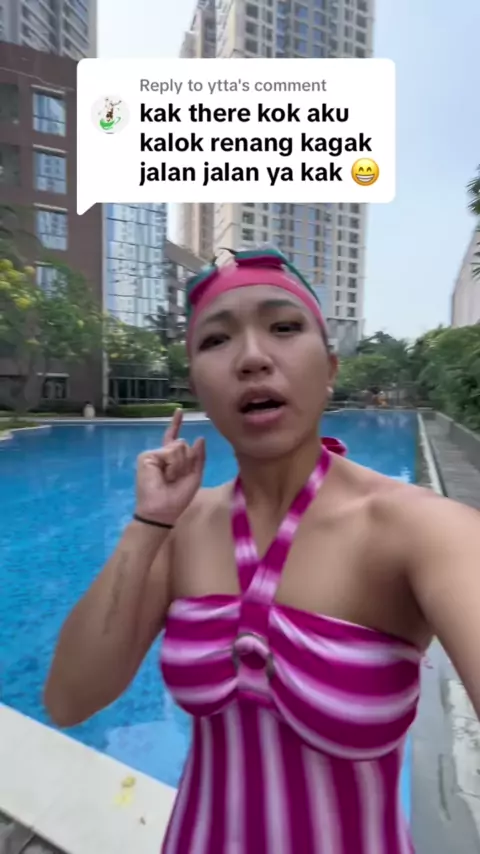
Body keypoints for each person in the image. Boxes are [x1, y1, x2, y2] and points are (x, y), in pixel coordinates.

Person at [44, 247, 480, 854]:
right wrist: (148, 523)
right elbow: (69, 699)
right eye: (217, 340)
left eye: (283, 327)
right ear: (196, 382)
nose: (252, 357)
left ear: (329, 368)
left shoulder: (421, 531)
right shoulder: (183, 527)